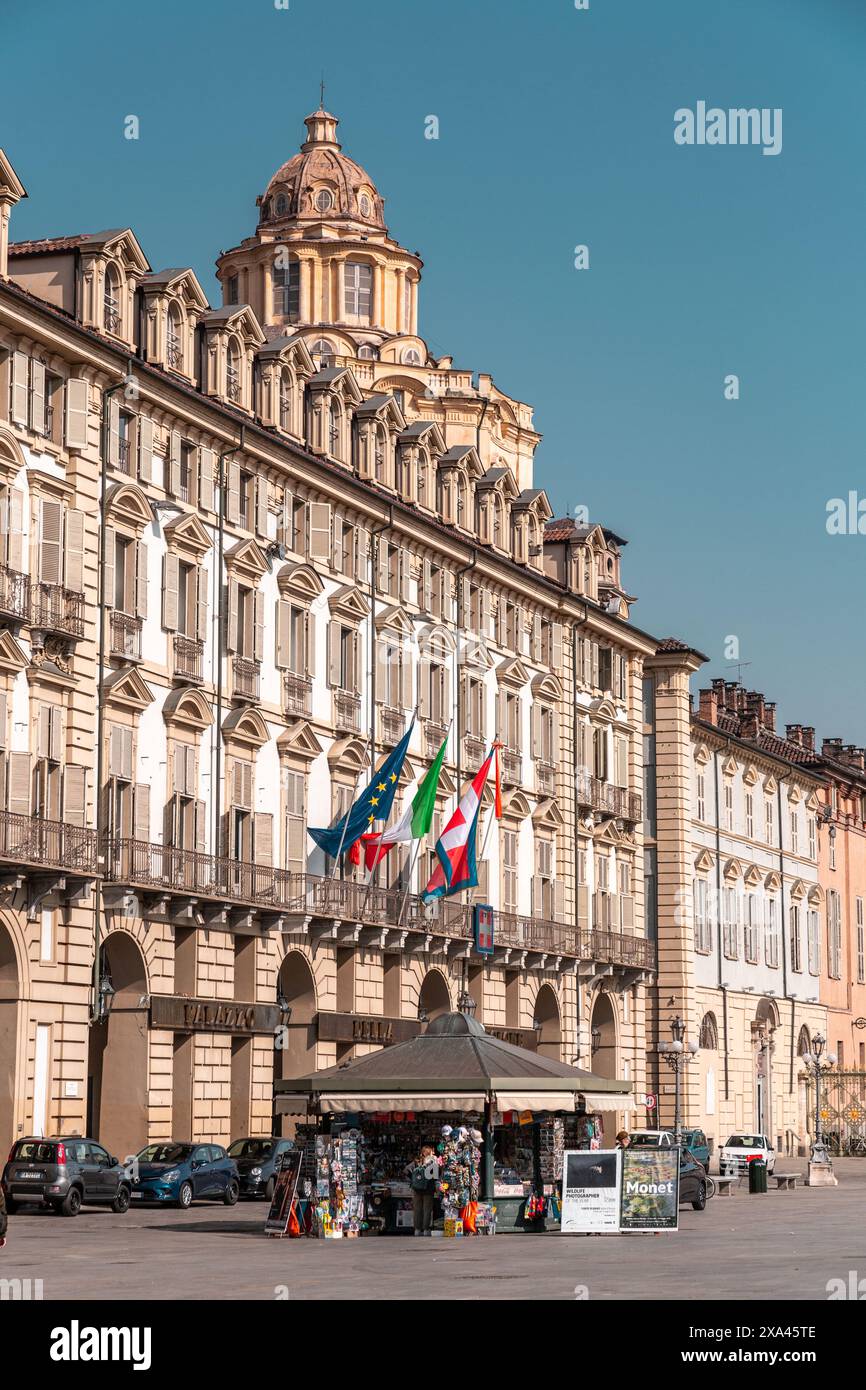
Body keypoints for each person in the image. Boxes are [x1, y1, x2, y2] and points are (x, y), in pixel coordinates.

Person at [408, 1144, 438, 1237]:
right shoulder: (432, 1162)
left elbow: (406, 1170)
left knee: (417, 1210)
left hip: (416, 1189)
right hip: (428, 1189)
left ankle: (417, 1230)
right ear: (430, 1153)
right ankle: (426, 1229)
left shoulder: (417, 1161)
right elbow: (436, 1176)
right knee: (427, 1210)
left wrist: (414, 1180)